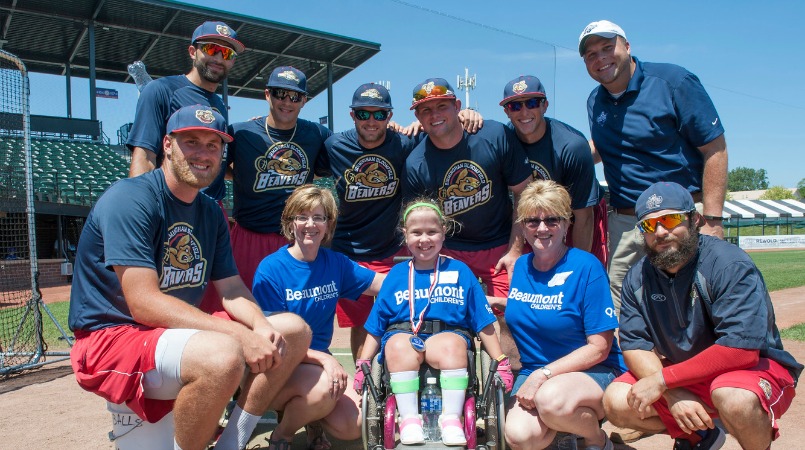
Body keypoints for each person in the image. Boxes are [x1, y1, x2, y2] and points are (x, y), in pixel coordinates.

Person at [67, 105, 310, 450]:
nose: (203, 153)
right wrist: (240, 334)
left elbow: (231, 288)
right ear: (167, 144)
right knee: (222, 355)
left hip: (172, 336)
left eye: (213, 146)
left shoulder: (210, 210)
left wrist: (259, 325)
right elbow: (143, 304)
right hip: (113, 338)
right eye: (192, 142)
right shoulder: (131, 199)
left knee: (292, 331)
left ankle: (232, 442)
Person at [603, 181, 802, 450]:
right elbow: (635, 345)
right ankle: (699, 436)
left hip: (750, 370)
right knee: (617, 400)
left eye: (671, 219)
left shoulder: (728, 264)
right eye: (649, 225)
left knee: (734, 399)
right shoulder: (637, 276)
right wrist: (673, 394)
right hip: (684, 374)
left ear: (695, 219)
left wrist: (663, 381)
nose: (661, 232)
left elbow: (740, 350)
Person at [578, 20, 728, 315]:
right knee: (621, 306)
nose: (600, 58)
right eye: (591, 54)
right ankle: (630, 363)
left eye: (607, 47)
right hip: (626, 222)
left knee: (694, 303)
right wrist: (563, 157)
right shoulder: (595, 100)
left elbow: (715, 148)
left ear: (627, 46)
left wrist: (713, 218)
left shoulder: (674, 81)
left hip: (677, 219)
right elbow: (603, 145)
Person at [326, 82, 484, 361]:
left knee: (408, 318)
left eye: (380, 114)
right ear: (352, 115)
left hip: (395, 250)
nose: (371, 121)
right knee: (363, 325)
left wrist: (466, 113)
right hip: (350, 252)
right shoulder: (333, 145)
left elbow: (441, 128)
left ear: (390, 116)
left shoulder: (406, 141)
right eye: (364, 114)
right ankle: (368, 383)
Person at [354, 198, 512, 446]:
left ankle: (450, 419)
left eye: (432, 232)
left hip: (448, 336)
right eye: (416, 233)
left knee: (452, 345)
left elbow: (483, 321)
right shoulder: (395, 275)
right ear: (405, 236)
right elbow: (376, 326)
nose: (424, 239)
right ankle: (409, 420)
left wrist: (500, 360)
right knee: (396, 346)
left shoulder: (460, 271)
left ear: (443, 233)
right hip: (404, 336)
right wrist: (364, 361)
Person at [251, 184, 385, 450]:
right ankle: (282, 435)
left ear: (328, 224)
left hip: (314, 364)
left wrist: (435, 272)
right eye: (301, 216)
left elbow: (386, 284)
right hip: (276, 367)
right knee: (325, 389)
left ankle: (311, 418)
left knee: (352, 426)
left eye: (318, 217)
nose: (310, 224)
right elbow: (269, 342)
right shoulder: (271, 269)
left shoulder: (335, 262)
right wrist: (324, 359)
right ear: (290, 224)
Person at [502, 180, 624, 450]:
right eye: (532, 221)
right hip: (536, 370)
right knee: (520, 436)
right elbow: (533, 305)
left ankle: (596, 440)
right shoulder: (521, 266)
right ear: (522, 227)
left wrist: (544, 375)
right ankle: (565, 431)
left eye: (552, 220)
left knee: (552, 402)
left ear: (567, 224)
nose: (542, 228)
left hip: (592, 370)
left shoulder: (586, 266)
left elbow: (600, 348)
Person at [403, 78, 532, 298]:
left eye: (442, 106)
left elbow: (524, 192)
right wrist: (436, 256)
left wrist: (515, 250)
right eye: (425, 110)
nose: (434, 115)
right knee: (447, 317)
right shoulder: (415, 163)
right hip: (450, 248)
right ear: (417, 117)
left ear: (458, 107)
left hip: (500, 243)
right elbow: (418, 219)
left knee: (512, 315)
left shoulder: (493, 134)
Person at [227, 66, 332, 294]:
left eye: (294, 96)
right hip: (250, 236)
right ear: (267, 94)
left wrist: (394, 129)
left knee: (297, 309)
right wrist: (243, 176)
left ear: (303, 100)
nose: (287, 101)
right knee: (246, 306)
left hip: (296, 237)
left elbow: (355, 148)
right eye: (279, 93)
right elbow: (217, 167)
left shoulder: (317, 134)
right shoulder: (241, 132)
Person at [126, 20, 243, 205]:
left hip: (212, 207)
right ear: (192, 52)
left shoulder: (219, 104)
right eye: (211, 49)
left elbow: (218, 166)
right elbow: (145, 157)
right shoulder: (160, 90)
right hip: (173, 205)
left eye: (228, 53)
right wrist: (136, 208)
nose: (219, 58)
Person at [501, 75, 608, 267]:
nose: (524, 112)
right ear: (506, 111)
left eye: (532, 103)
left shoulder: (572, 146)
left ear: (545, 105)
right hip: (535, 219)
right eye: (515, 106)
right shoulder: (504, 140)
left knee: (581, 277)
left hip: (577, 216)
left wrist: (576, 269)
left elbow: (584, 215)